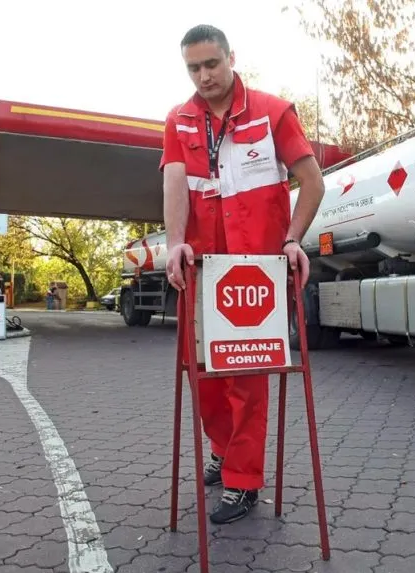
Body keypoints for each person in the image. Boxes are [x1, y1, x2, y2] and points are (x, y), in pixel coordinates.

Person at [160, 24, 325, 524]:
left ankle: (243, 481)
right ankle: (222, 449)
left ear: (232, 58)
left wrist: (292, 239)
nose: (204, 76)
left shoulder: (273, 112)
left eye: (212, 64)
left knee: (247, 379)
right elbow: (174, 185)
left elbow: (312, 182)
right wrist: (174, 243)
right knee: (205, 376)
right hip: (202, 271)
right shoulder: (178, 121)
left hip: (256, 274)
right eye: (193, 68)